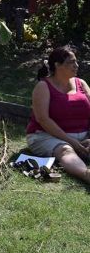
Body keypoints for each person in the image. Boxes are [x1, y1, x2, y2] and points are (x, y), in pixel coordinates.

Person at [26, 46, 90, 183]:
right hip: (46, 136)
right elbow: (43, 120)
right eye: (71, 62)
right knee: (66, 150)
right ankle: (86, 174)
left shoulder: (81, 83)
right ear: (57, 65)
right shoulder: (43, 86)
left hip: (82, 138)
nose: (76, 65)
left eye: (76, 61)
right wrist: (73, 142)